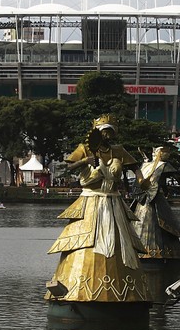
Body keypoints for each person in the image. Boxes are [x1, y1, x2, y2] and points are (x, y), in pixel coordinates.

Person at [45, 115, 150, 303]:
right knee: (88, 239)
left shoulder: (118, 151)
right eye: (104, 131)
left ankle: (125, 292)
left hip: (113, 200)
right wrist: (86, 161)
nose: (107, 135)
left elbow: (135, 166)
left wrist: (141, 179)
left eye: (110, 131)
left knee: (120, 243)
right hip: (91, 201)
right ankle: (79, 289)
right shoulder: (85, 148)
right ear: (97, 132)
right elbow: (69, 168)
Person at [130, 145, 180, 260]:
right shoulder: (164, 166)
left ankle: (137, 252)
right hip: (154, 198)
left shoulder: (145, 165)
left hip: (142, 201)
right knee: (159, 223)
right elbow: (178, 181)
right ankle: (162, 253)